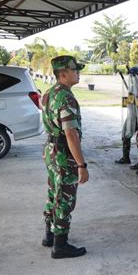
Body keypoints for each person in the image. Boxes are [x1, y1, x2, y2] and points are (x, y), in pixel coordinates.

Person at [41, 55, 89, 259]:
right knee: (65, 199)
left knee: (54, 193)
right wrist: (81, 164)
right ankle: (60, 246)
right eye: (75, 70)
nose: (78, 73)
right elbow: (70, 133)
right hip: (63, 155)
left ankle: (49, 235)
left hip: (51, 151)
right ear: (63, 74)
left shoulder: (49, 93)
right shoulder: (66, 97)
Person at [115, 67, 138, 165]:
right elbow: (130, 101)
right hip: (132, 114)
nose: (131, 77)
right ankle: (126, 157)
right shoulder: (132, 86)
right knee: (125, 135)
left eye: (132, 75)